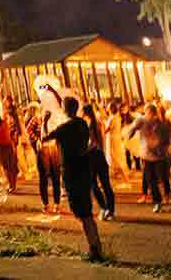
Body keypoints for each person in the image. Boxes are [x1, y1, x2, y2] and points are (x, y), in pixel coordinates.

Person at [42, 96, 104, 261]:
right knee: (86, 211)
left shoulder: (66, 128)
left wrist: (44, 121)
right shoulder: (82, 124)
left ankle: (94, 250)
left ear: (65, 109)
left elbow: (44, 138)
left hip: (71, 171)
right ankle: (96, 246)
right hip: (83, 168)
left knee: (82, 213)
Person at [82, 104, 116, 221]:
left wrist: (84, 150)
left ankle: (104, 207)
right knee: (106, 184)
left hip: (92, 156)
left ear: (85, 113)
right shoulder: (98, 123)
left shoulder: (90, 125)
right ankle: (110, 210)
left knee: (93, 184)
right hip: (100, 155)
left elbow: (91, 143)